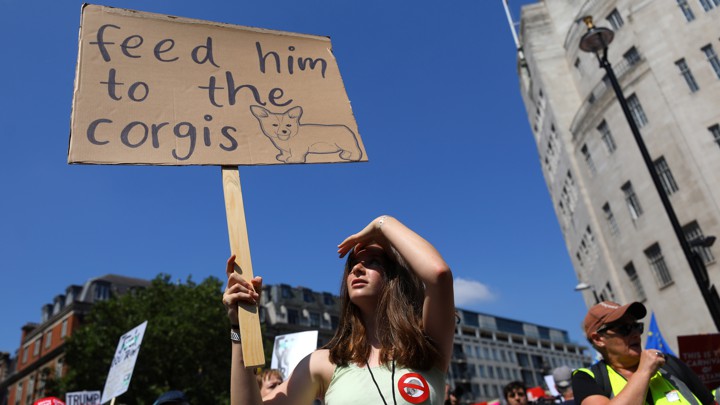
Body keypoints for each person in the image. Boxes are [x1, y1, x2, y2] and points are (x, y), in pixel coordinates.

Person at [223, 215, 455, 404]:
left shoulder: (428, 347)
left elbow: (439, 275)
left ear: (396, 278)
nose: (358, 270)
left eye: (373, 261)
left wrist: (382, 224)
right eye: (353, 265)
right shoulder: (324, 364)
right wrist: (240, 327)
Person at [572, 301, 714, 405]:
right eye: (625, 328)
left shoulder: (668, 363)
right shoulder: (587, 378)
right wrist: (644, 372)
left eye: (637, 327)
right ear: (598, 339)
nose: (635, 334)